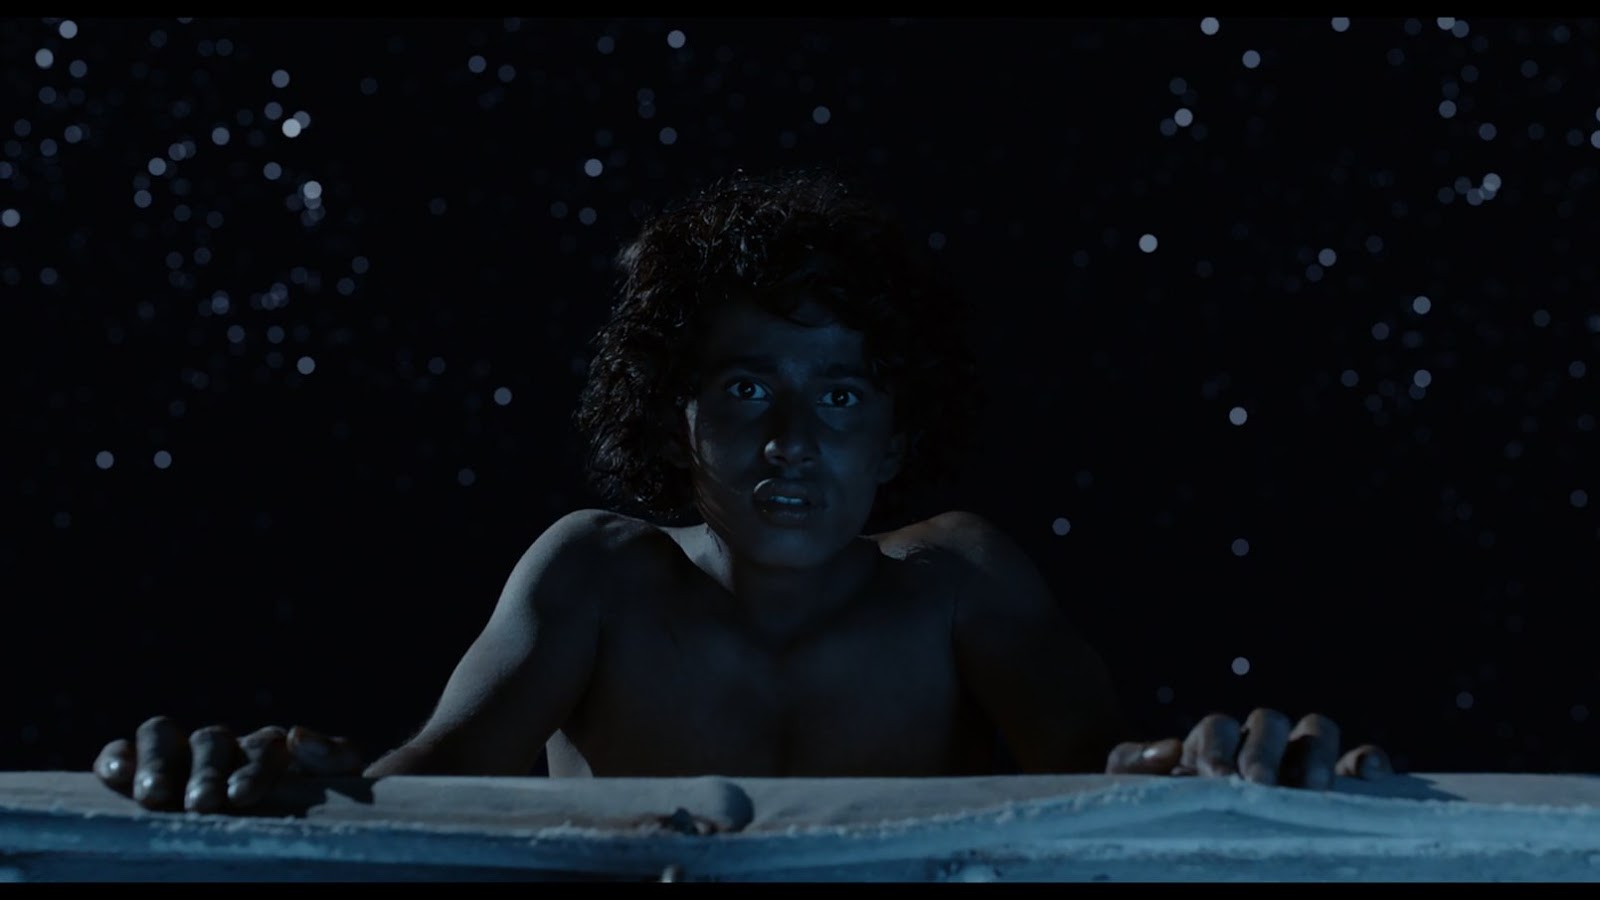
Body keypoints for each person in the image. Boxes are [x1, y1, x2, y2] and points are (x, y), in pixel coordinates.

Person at [94, 169, 1392, 815]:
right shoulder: (597, 576)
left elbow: (1120, 797)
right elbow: (417, 792)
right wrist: (264, 782)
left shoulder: (959, 587)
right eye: (746, 389)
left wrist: (1242, 767)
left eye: (840, 397)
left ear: (895, 433)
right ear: (677, 416)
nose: (792, 439)